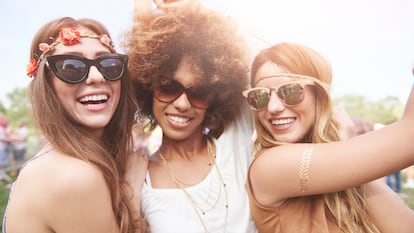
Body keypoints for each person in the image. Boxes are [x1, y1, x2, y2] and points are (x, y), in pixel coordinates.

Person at [243, 42, 414, 233]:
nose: (273, 107)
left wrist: (343, 146)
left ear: (319, 95)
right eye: (260, 96)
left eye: (290, 91)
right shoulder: (269, 167)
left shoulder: (339, 167)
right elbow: (410, 138)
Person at [2, 17, 148, 233]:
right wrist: (133, 194)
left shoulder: (65, 160)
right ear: (46, 84)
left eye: (109, 64)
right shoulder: (73, 176)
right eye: (71, 67)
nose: (97, 77)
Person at [124, 2, 258, 232]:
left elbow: (258, 57)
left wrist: (190, 8)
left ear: (216, 97)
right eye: (168, 87)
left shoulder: (236, 140)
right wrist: (131, 195)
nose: (182, 104)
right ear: (147, 88)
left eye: (199, 92)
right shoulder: (140, 180)